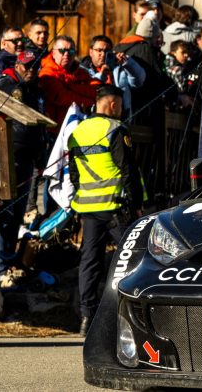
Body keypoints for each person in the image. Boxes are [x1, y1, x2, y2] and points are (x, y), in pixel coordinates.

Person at [66, 85, 143, 336]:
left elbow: (74, 174)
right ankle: (132, 315)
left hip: (88, 208)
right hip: (115, 208)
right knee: (133, 259)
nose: (121, 109)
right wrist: (137, 205)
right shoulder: (115, 129)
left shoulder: (77, 132)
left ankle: (86, 317)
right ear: (112, 104)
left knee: (90, 261)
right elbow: (128, 171)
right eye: (120, 105)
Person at [0, 48, 45, 269]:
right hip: (8, 157)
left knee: (18, 212)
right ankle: (0, 261)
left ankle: (8, 256)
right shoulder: (6, 84)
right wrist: (19, 86)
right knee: (5, 211)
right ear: (17, 65)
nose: (31, 70)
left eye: (35, 66)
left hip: (28, 158)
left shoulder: (37, 91)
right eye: (26, 66)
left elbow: (39, 126)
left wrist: (41, 155)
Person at [38, 35, 97, 126]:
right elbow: (63, 98)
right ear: (53, 53)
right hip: (56, 128)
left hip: (80, 125)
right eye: (62, 50)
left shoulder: (81, 72)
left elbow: (96, 89)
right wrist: (91, 103)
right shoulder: (47, 74)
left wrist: (71, 87)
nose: (66, 54)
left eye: (71, 51)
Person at [165, 40, 198, 111]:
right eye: (183, 52)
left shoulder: (183, 66)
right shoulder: (175, 69)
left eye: (187, 52)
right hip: (174, 108)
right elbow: (182, 90)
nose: (186, 55)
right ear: (173, 53)